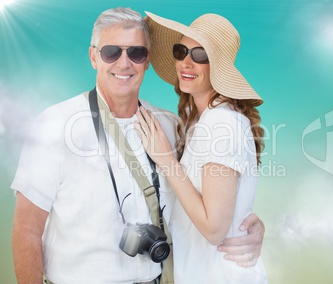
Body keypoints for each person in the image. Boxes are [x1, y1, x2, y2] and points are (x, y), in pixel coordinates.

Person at [11, 7, 265, 284]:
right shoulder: (55, 124)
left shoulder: (170, 127)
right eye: (111, 52)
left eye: (136, 53)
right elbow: (26, 229)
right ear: (93, 57)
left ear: (147, 61)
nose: (124, 63)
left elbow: (211, 196)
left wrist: (246, 226)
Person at [134, 12, 268, 284]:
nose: (186, 61)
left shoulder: (222, 123)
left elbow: (215, 229)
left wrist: (167, 161)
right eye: (181, 51)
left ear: (218, 66)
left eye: (200, 54)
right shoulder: (201, 121)